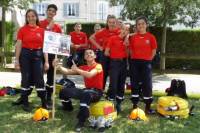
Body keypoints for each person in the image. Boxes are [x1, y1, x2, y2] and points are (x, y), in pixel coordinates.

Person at [53, 49, 103, 132]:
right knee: (63, 91)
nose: (88, 54)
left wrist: (77, 69)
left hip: (96, 92)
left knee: (86, 94)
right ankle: (68, 108)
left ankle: (81, 121)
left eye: (91, 53)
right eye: (86, 53)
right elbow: (68, 71)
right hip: (86, 91)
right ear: (84, 57)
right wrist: (58, 66)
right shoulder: (83, 67)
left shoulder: (98, 66)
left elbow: (90, 75)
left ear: (95, 56)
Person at [14, 9, 49, 112]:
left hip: (38, 55)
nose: (31, 18)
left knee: (39, 78)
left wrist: (46, 61)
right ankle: (25, 102)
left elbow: (45, 48)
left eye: (33, 16)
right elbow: (19, 45)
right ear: (26, 18)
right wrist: (16, 61)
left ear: (36, 17)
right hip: (25, 55)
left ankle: (43, 102)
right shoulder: (22, 30)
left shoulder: (42, 30)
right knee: (26, 78)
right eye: (28, 16)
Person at [129, 16, 157, 114]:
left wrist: (148, 60)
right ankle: (135, 106)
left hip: (146, 63)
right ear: (136, 26)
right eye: (138, 24)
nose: (141, 25)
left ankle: (148, 107)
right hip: (134, 63)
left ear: (146, 25)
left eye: (142, 23)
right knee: (134, 84)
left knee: (147, 85)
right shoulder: (132, 37)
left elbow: (154, 51)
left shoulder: (151, 37)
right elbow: (130, 49)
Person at [39, 4, 62, 108]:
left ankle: (49, 98)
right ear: (46, 11)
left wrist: (60, 55)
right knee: (38, 75)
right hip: (40, 52)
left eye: (53, 11)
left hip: (52, 54)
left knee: (51, 77)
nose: (51, 12)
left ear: (55, 13)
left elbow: (61, 42)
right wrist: (48, 28)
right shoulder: (39, 23)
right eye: (49, 10)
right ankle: (41, 97)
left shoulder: (57, 27)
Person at [89, 15, 120, 90]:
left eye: (113, 22)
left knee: (114, 75)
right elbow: (91, 38)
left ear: (116, 23)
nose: (112, 24)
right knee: (103, 73)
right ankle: (100, 90)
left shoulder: (119, 31)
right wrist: (100, 47)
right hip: (105, 55)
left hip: (115, 56)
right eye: (110, 22)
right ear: (107, 23)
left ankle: (111, 92)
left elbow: (127, 35)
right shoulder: (103, 31)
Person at [104, 24, 129, 113]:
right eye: (123, 29)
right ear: (120, 29)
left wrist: (127, 40)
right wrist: (115, 56)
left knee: (121, 85)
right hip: (114, 63)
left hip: (124, 63)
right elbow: (106, 52)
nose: (124, 31)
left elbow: (129, 53)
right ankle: (110, 102)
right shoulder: (113, 38)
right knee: (113, 85)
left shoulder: (128, 41)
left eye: (127, 30)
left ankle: (118, 103)